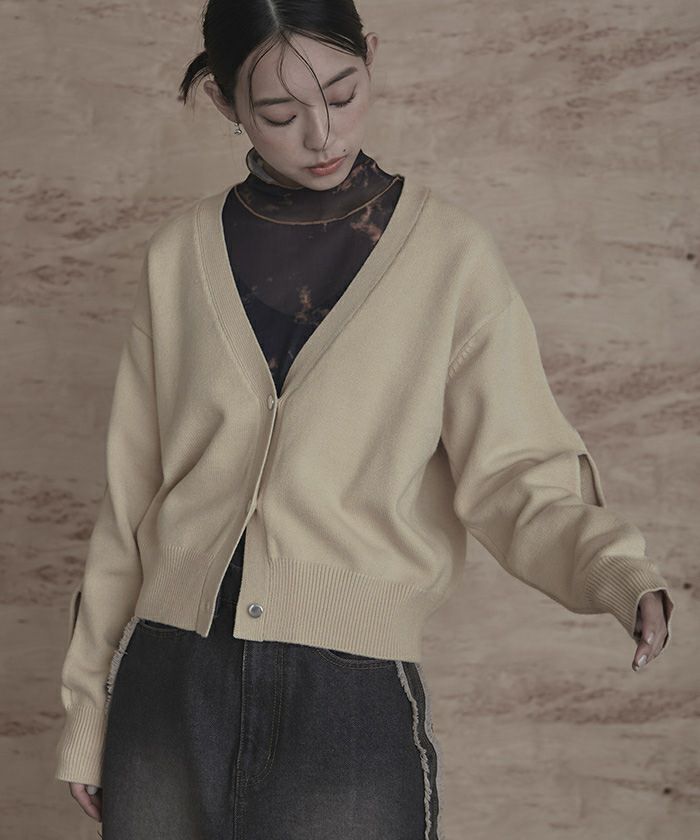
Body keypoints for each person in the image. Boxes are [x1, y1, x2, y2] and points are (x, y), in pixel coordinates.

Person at [58, 1, 674, 836]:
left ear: (371, 57)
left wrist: (615, 569)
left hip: (344, 698)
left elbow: (515, 471)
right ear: (225, 103)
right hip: (168, 687)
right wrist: (87, 704)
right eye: (281, 114)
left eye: (343, 94)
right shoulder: (177, 257)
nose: (323, 135)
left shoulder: (449, 255)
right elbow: (130, 499)